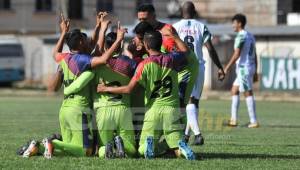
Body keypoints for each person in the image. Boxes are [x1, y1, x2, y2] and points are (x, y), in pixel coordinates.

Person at [97, 30, 196, 160]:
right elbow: (187, 52)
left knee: (141, 150)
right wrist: (175, 37)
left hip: (153, 111)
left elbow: (128, 89)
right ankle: (181, 148)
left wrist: (105, 88)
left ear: (146, 46)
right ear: (160, 43)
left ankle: (148, 145)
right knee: (176, 147)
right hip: (172, 110)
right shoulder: (171, 58)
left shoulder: (144, 64)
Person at [64, 31, 138, 159]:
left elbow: (94, 52)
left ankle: (110, 147)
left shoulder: (97, 64)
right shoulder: (130, 64)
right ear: (120, 45)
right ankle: (120, 145)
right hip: (123, 109)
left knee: (102, 149)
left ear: (105, 46)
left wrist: (101, 29)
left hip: (102, 111)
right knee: (131, 150)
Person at [173, 1, 225, 145]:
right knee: (194, 101)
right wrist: (220, 67)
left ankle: (194, 134)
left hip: (181, 68)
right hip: (198, 67)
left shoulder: (174, 28)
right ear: (194, 12)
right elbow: (210, 48)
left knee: (186, 102)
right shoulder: (201, 26)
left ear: (181, 12)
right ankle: (189, 135)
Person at [223, 13, 259, 128]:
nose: (233, 25)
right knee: (234, 90)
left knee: (248, 92)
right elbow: (255, 54)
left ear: (239, 23)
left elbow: (237, 54)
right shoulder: (250, 35)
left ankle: (253, 121)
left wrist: (226, 68)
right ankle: (233, 120)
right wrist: (256, 70)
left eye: (234, 23)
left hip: (244, 68)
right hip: (250, 66)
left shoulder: (241, 36)